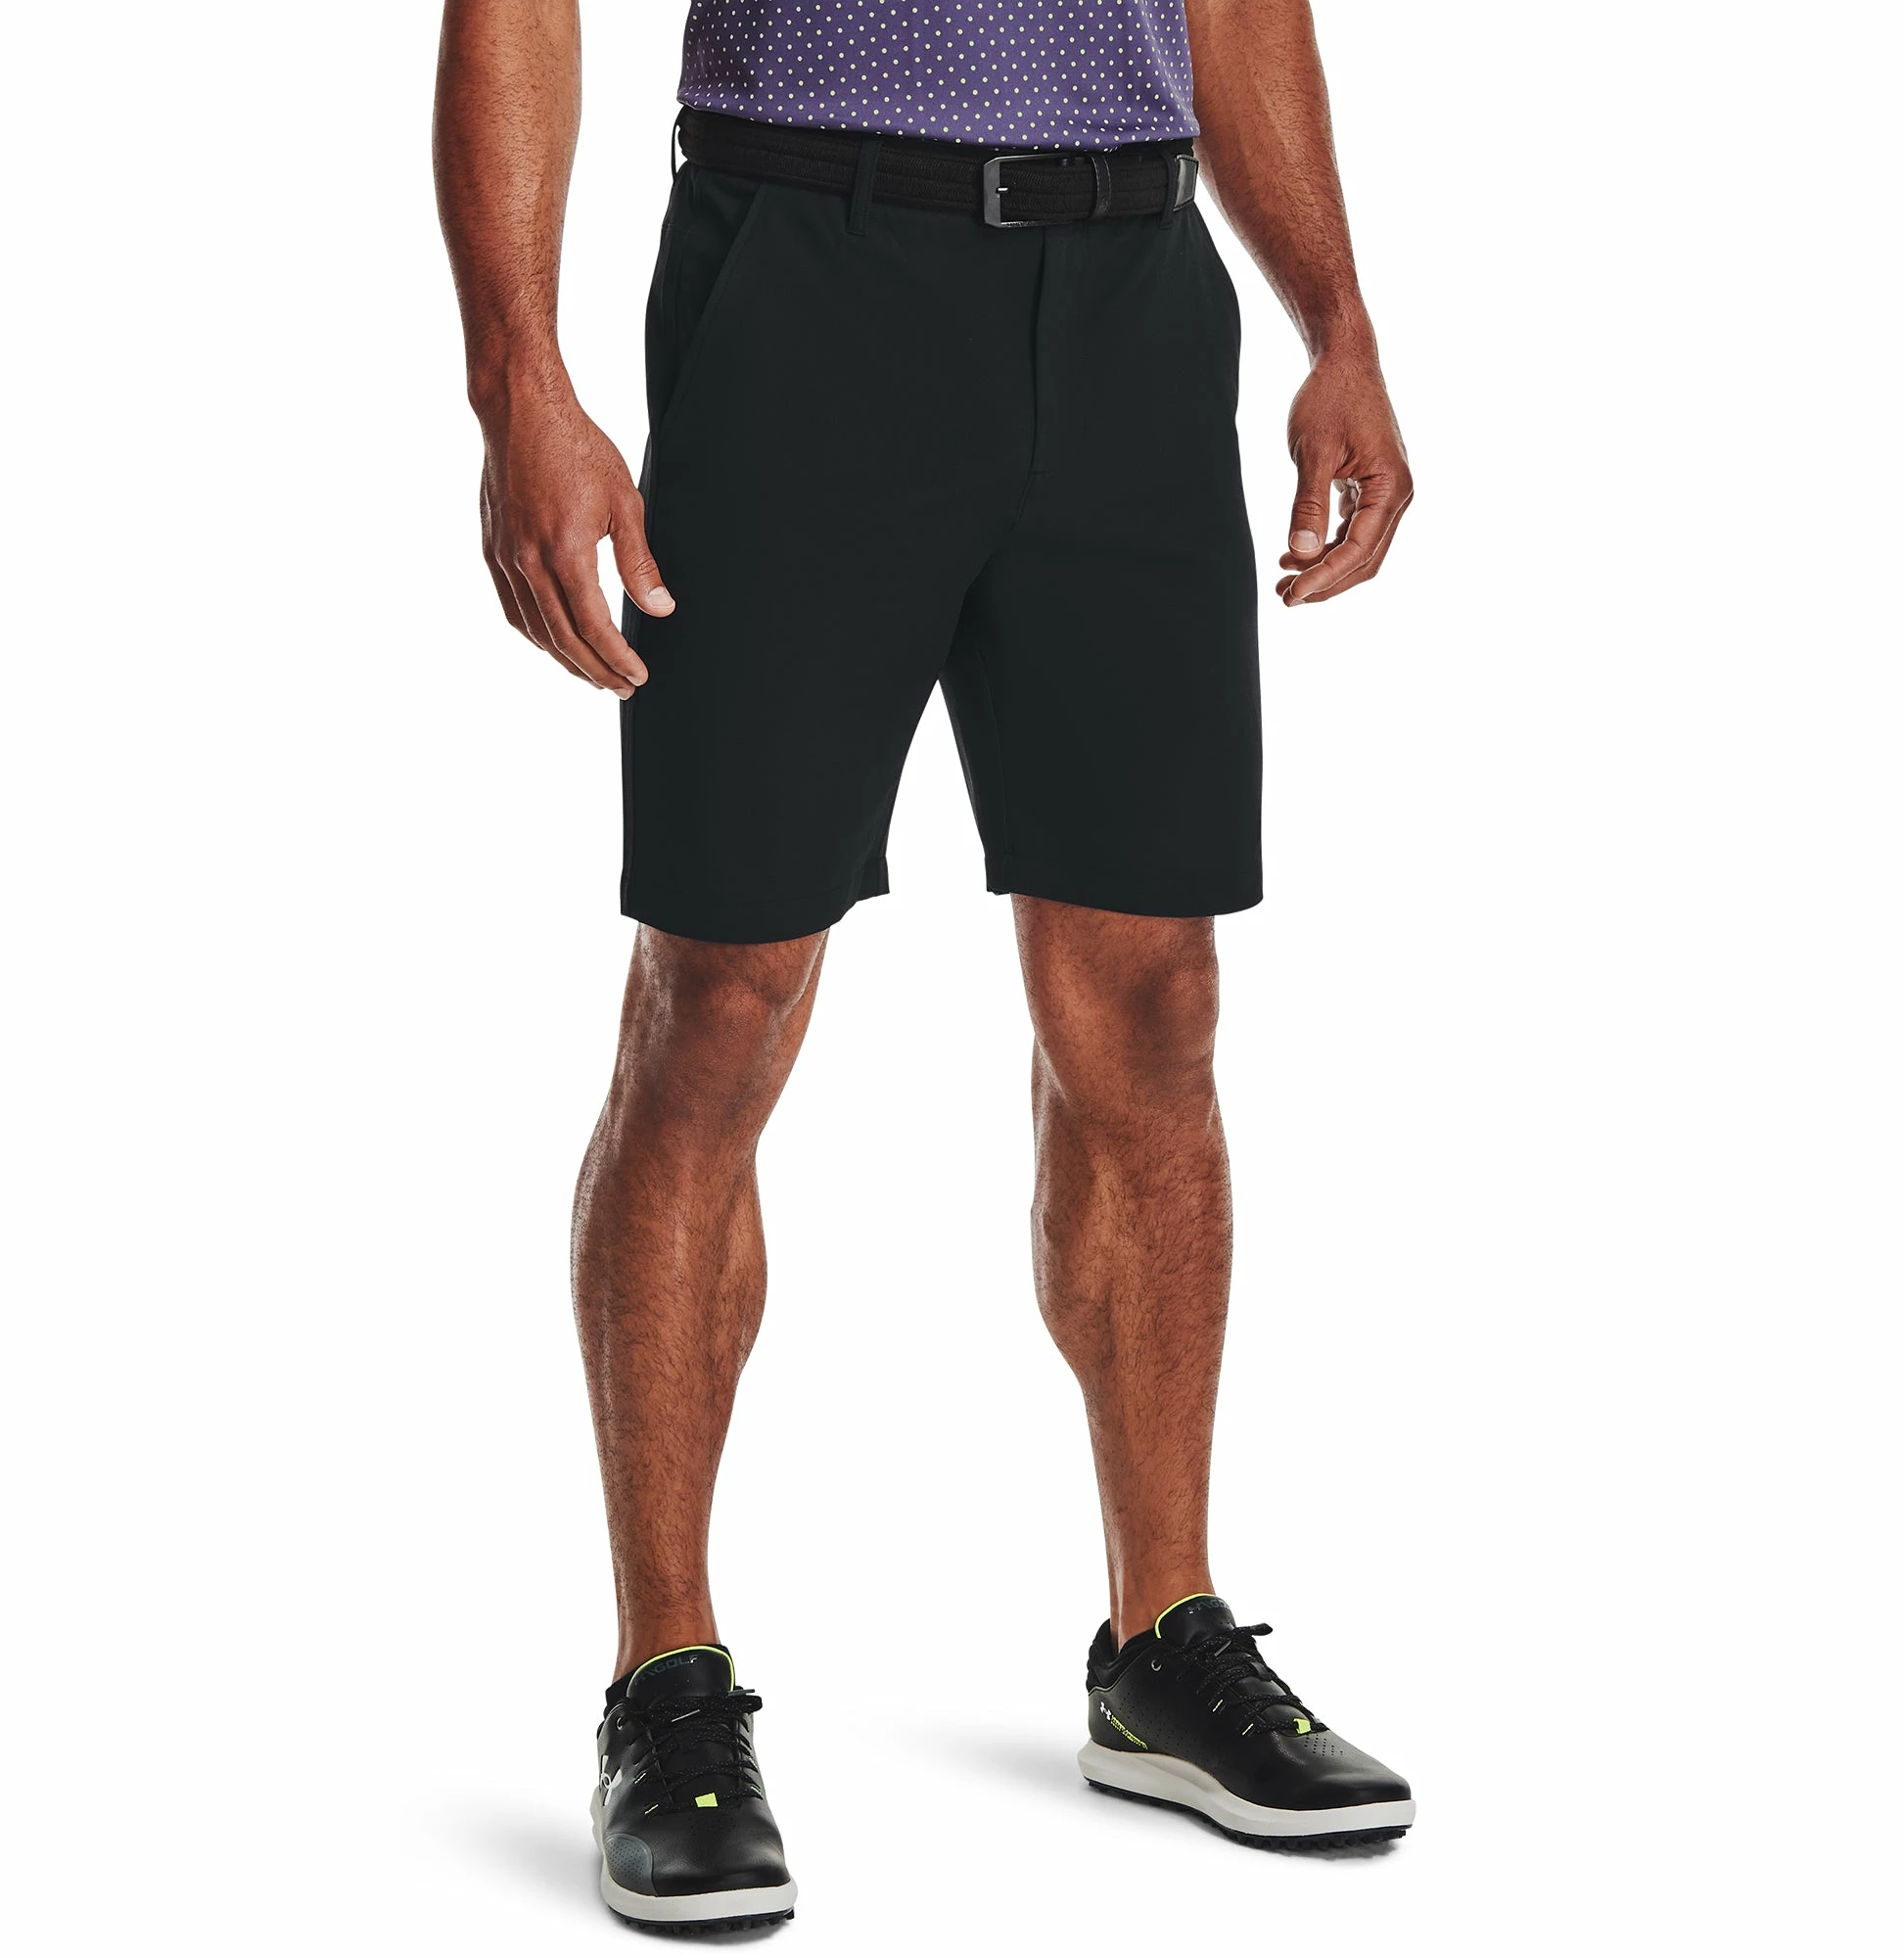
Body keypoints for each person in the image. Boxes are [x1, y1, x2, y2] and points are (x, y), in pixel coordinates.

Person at [436, 0, 1416, 1929]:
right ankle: (666, 1681)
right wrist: (517, 382)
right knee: (723, 996)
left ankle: (1161, 1640)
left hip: (1132, 292)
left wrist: (1340, 323)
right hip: (807, 275)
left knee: (1152, 996)